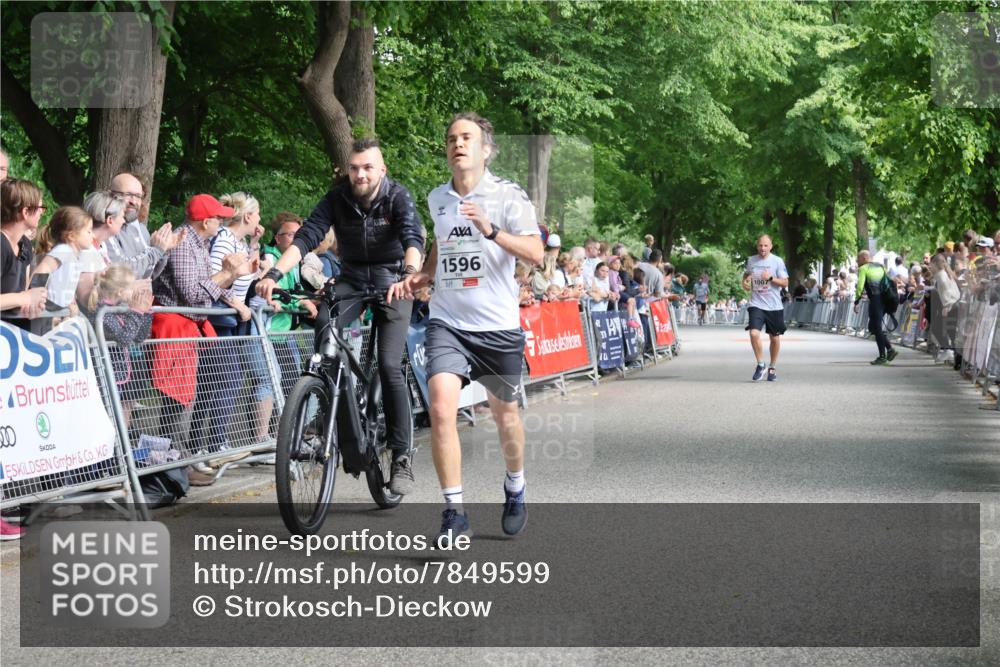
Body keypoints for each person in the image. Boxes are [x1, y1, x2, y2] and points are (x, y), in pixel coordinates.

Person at [399, 111, 543, 546]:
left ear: (486, 149)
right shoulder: (437, 197)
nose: (457, 144)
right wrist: (426, 272)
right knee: (442, 409)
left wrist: (492, 230)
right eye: (451, 139)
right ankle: (454, 511)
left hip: (497, 326)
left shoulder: (507, 196)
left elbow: (535, 251)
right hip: (448, 322)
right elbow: (443, 243)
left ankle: (515, 486)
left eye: (467, 138)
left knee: (505, 416)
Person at [257, 138, 424, 496]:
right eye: (354, 167)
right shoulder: (338, 198)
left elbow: (413, 237)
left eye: (368, 167)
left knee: (390, 365)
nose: (360, 174)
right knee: (324, 334)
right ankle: (328, 406)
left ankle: (401, 456)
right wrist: (272, 275)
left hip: (393, 280)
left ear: (381, 169)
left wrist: (409, 274)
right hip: (350, 280)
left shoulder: (397, 196)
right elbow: (305, 239)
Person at [151, 194, 255, 480]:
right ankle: (172, 465)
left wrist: (231, 297)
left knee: (187, 396)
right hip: (174, 326)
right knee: (175, 399)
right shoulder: (184, 244)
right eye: (219, 219)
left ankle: (180, 461)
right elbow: (194, 294)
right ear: (205, 221)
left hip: (188, 326)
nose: (222, 223)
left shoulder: (200, 243)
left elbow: (205, 287)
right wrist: (226, 274)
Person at [82, 264, 153, 428]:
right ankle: (111, 451)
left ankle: (120, 450)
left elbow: (138, 338)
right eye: (131, 288)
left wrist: (145, 312)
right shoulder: (101, 313)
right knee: (107, 418)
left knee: (120, 414)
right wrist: (136, 312)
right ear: (120, 292)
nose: (133, 292)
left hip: (120, 376)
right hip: (106, 376)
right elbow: (125, 339)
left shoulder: (120, 309)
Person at [104, 173, 184, 279]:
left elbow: (150, 275)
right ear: (110, 195)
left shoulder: (142, 229)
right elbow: (120, 274)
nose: (133, 201)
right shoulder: (104, 228)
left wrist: (163, 249)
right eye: (127, 194)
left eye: (138, 196)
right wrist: (157, 250)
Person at [34, 206, 102, 312]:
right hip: (49, 306)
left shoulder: (73, 255)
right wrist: (36, 297)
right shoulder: (63, 250)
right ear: (71, 236)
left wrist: (70, 301)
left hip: (58, 307)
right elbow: (43, 268)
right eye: (89, 231)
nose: (93, 235)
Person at [0, 178, 47, 327]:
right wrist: (23, 298)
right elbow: (22, 295)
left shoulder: (25, 245)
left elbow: (23, 292)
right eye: (40, 207)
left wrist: (32, 303)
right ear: (26, 212)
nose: (42, 212)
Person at [742, 235, 789, 381]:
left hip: (774, 306)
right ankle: (760, 364)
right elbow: (746, 275)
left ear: (771, 246)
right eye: (760, 245)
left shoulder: (777, 261)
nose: (762, 248)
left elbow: (785, 283)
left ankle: (772, 367)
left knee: (774, 338)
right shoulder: (751, 260)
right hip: (757, 303)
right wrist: (744, 282)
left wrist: (771, 278)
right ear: (757, 246)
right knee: (754, 333)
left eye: (765, 246)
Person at [853, 249, 897, 365]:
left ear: (864, 258)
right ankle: (890, 349)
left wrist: (856, 301)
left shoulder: (863, 268)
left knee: (876, 327)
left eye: (858, 259)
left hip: (876, 300)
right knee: (873, 327)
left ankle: (883, 356)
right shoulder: (881, 267)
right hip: (885, 299)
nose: (857, 262)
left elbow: (860, 286)